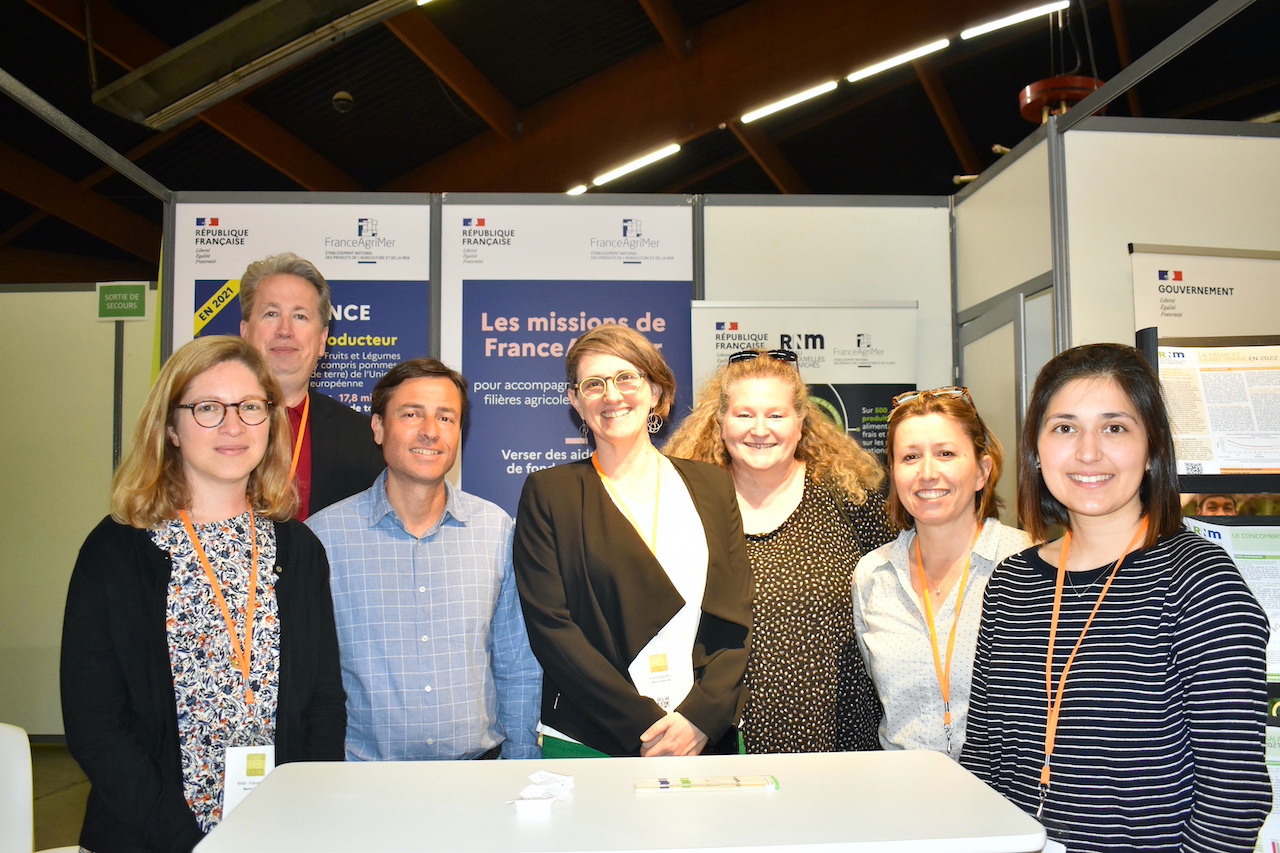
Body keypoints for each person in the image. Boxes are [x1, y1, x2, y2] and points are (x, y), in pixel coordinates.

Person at [961, 343, 1269, 852]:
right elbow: (985, 758)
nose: (1088, 452)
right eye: (1064, 428)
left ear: (1152, 449)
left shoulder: (1198, 580)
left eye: (1115, 428)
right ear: (1036, 451)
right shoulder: (1012, 583)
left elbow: (1233, 793)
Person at [61, 336, 346, 853]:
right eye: (208, 408)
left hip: (278, 833)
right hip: (149, 838)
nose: (233, 426)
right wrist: (186, 844)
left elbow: (323, 703)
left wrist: (301, 817)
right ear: (170, 427)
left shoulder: (299, 549)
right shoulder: (117, 549)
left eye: (250, 407)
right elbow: (96, 724)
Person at [514, 324, 752, 757]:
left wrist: (700, 718)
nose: (611, 395)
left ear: (655, 390)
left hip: (702, 734)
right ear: (575, 401)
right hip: (593, 737)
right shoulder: (550, 494)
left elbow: (734, 619)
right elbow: (552, 629)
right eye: (593, 384)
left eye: (627, 377)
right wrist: (646, 728)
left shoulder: (713, 487)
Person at [308, 358, 541, 760]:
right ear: (378, 428)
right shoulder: (324, 539)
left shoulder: (496, 530)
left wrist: (521, 761)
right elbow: (308, 680)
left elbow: (516, 665)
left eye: (446, 417)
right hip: (361, 780)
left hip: (478, 778)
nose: (431, 431)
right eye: (411, 414)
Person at [663, 349, 894, 753]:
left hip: (840, 730)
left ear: (801, 422)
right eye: (744, 414)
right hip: (721, 733)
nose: (760, 429)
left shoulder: (851, 499)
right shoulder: (689, 504)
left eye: (775, 415)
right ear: (720, 422)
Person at [850, 386, 1030, 760]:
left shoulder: (1029, 564)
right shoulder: (874, 576)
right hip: (903, 788)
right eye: (910, 457)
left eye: (946, 454)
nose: (928, 473)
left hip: (1001, 790)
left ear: (982, 471)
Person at [239, 252, 384, 519]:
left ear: (321, 340)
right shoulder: (208, 426)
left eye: (300, 316)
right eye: (271, 314)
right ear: (245, 332)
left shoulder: (364, 441)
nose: (284, 330)